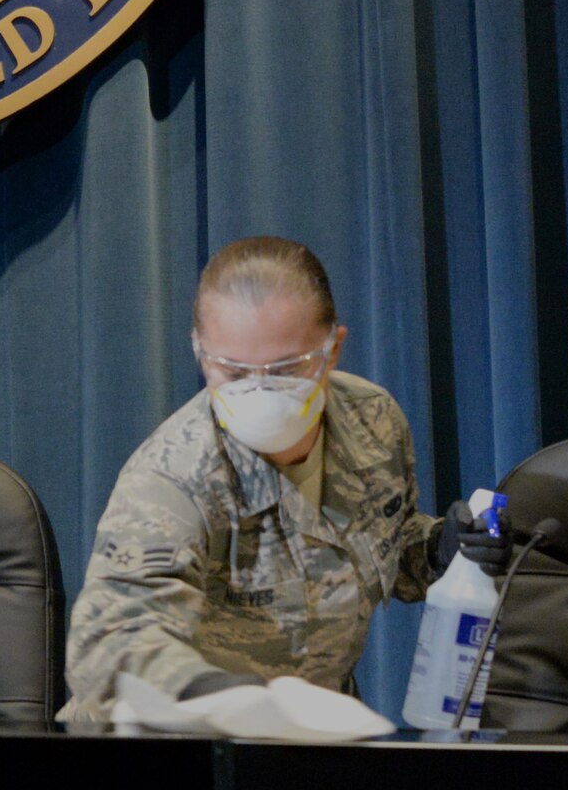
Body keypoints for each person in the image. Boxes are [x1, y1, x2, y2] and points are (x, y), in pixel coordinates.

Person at [62, 236, 509, 717]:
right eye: (233, 372)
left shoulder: (372, 421)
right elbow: (109, 644)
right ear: (201, 353)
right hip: (174, 747)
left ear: (332, 349)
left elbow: (377, 549)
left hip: (308, 735)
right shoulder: (173, 475)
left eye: (286, 368)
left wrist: (442, 550)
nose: (260, 390)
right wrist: (218, 698)